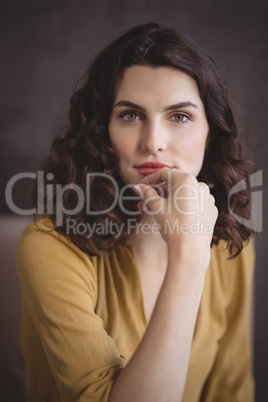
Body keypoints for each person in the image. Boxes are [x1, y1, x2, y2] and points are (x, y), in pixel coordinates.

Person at [16, 23, 256, 402]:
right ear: (101, 131)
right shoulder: (49, 246)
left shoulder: (229, 243)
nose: (153, 143)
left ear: (211, 133)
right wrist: (188, 258)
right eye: (130, 115)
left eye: (179, 116)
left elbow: (233, 387)